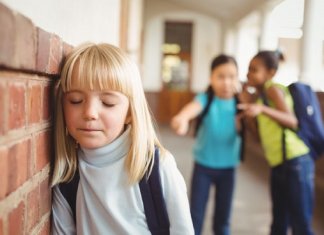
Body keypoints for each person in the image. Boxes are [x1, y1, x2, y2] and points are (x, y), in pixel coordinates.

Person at [51, 42, 194, 235]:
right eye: (76, 100)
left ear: (130, 113)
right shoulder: (66, 179)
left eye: (108, 103)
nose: (90, 113)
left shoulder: (157, 169)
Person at [238, 50, 315, 235]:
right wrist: (249, 114)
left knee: (300, 223)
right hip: (278, 163)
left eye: (254, 69)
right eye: (248, 69)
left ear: (270, 72)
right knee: (279, 221)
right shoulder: (260, 95)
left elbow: (292, 121)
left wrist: (261, 109)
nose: (248, 73)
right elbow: (258, 138)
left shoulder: (273, 89)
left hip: (295, 161)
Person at [171, 55, 242, 235]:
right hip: (203, 166)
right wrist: (182, 119)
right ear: (211, 78)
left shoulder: (241, 103)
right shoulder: (206, 98)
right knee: (195, 215)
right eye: (221, 76)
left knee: (223, 220)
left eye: (232, 76)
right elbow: (190, 110)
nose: (226, 82)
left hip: (228, 169)